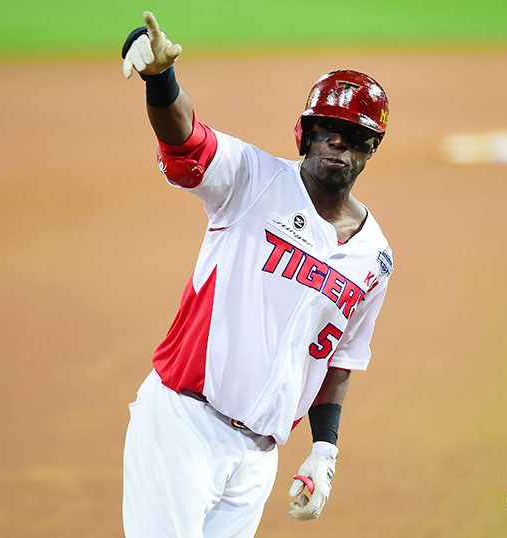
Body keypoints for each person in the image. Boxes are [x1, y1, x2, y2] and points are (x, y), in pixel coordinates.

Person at [120, 11, 394, 538]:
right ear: (305, 135)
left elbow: (339, 355)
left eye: (355, 136)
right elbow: (187, 140)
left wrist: (325, 449)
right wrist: (161, 79)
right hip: (184, 426)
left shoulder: (375, 257)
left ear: (370, 149)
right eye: (328, 132)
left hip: (258, 457)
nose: (339, 145)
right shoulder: (251, 178)